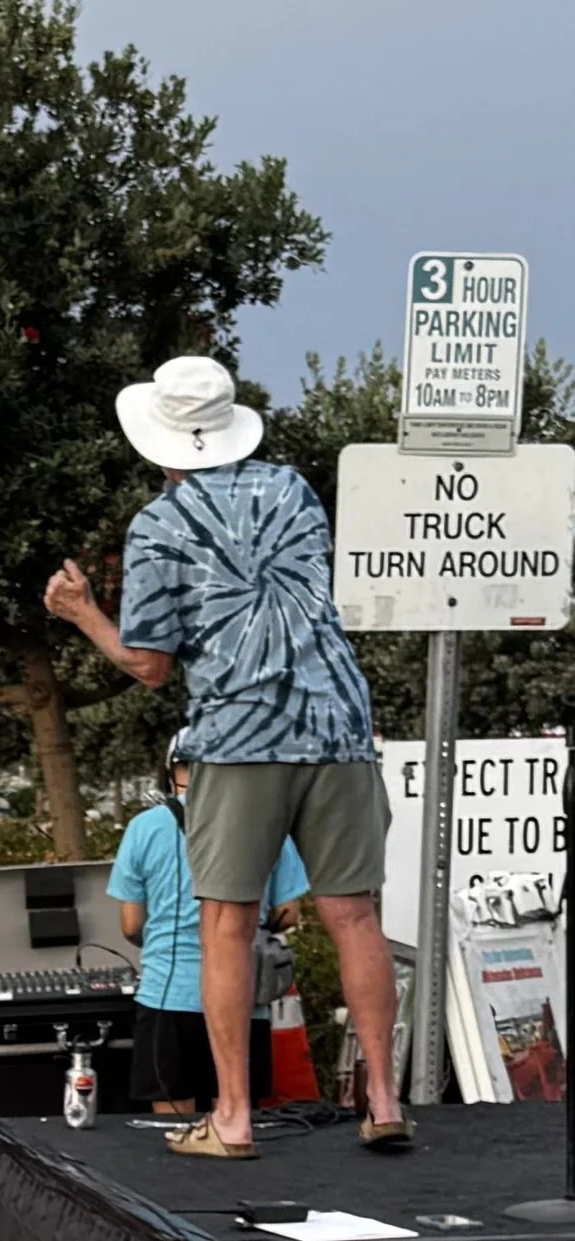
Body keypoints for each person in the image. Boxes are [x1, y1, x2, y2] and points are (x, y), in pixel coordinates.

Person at [45, 353, 409, 1159]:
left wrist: (81, 612)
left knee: (226, 923)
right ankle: (383, 1099)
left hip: (240, 737)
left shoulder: (159, 524)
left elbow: (148, 664)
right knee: (353, 915)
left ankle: (235, 1117)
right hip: (338, 722)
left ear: (161, 443)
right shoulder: (292, 490)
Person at [113, 738, 308, 1117]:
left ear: (171, 772)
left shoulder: (144, 827)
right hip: (243, 995)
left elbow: (131, 923)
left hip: (168, 995)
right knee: (235, 1116)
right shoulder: (267, 825)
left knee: (173, 1121)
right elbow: (288, 912)